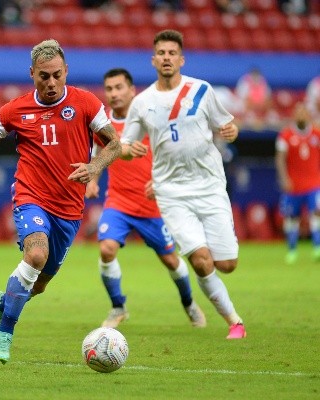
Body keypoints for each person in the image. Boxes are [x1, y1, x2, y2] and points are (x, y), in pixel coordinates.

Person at [0, 39, 122, 363]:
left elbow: (114, 145)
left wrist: (94, 167)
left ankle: (3, 303)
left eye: (56, 75)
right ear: (32, 73)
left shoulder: (87, 103)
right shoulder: (14, 110)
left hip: (69, 208)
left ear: (66, 72)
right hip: (30, 196)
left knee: (41, 284)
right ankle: (5, 332)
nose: (50, 82)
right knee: (35, 255)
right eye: (43, 76)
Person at [120, 29, 246, 339]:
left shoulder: (202, 90)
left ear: (181, 59)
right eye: (161, 53)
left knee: (226, 263)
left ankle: (222, 296)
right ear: (153, 60)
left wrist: (232, 131)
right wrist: (127, 150)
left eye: (172, 53)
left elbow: (228, 125)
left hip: (210, 185)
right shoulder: (142, 102)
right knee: (201, 261)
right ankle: (234, 321)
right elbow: (123, 144)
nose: (166, 58)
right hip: (171, 192)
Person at [85, 68, 206, 329]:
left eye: (119, 88)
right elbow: (97, 154)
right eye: (109, 89)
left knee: (171, 261)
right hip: (118, 202)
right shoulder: (103, 125)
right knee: (106, 249)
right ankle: (118, 307)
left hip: (153, 206)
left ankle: (189, 304)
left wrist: (163, 181)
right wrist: (93, 180)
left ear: (132, 91)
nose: (114, 94)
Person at [275, 102, 320, 264]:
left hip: (314, 183)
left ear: (308, 115)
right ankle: (292, 250)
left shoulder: (316, 133)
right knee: (292, 218)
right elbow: (280, 158)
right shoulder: (285, 135)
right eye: (298, 112)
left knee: (316, 213)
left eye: (303, 112)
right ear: (294, 115)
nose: (301, 115)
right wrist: (284, 178)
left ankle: (317, 248)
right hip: (293, 185)